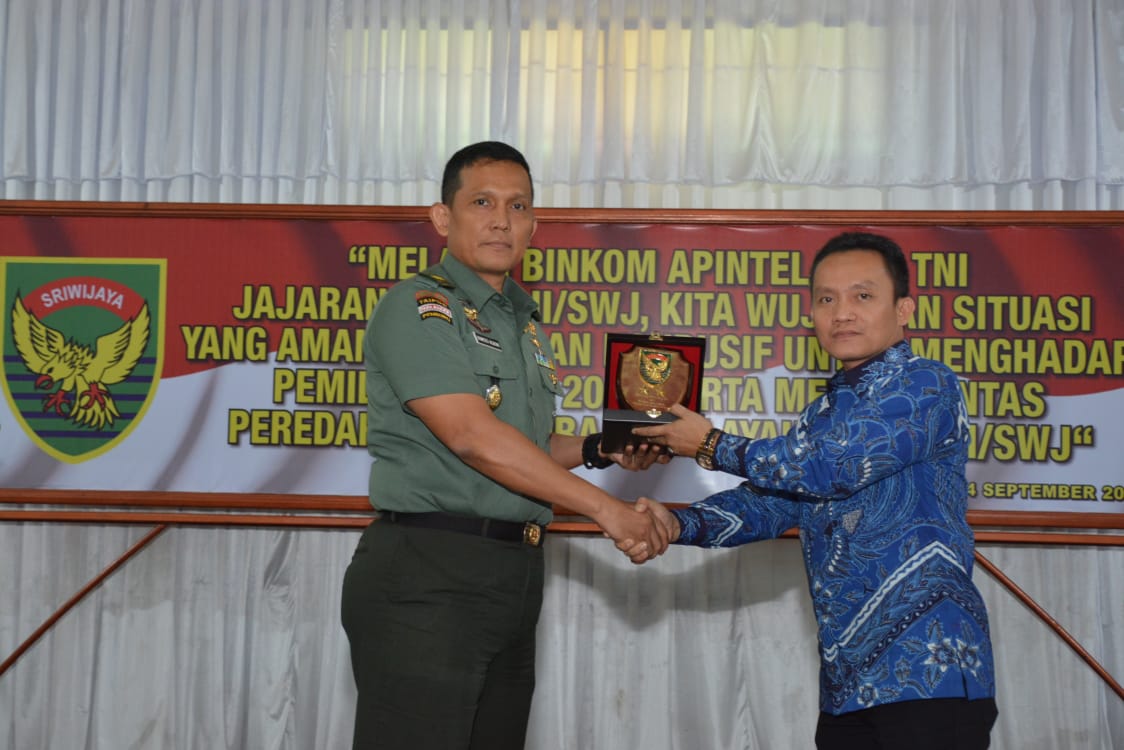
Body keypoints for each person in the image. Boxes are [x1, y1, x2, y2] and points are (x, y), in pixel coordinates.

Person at [341, 140, 669, 750]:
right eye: (482, 203)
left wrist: (601, 447)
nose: (501, 220)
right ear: (443, 217)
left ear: (534, 225)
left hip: (513, 575)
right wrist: (607, 510)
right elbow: (473, 438)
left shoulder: (519, 322)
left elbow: (527, 446)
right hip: (429, 575)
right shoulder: (420, 307)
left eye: (517, 206)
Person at [631, 232, 998, 749]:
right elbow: (770, 503)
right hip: (848, 687)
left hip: (929, 673)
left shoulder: (926, 384)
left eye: (862, 295)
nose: (842, 313)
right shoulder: (821, 415)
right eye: (827, 299)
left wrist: (712, 445)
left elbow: (833, 466)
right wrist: (676, 524)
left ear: (904, 309)